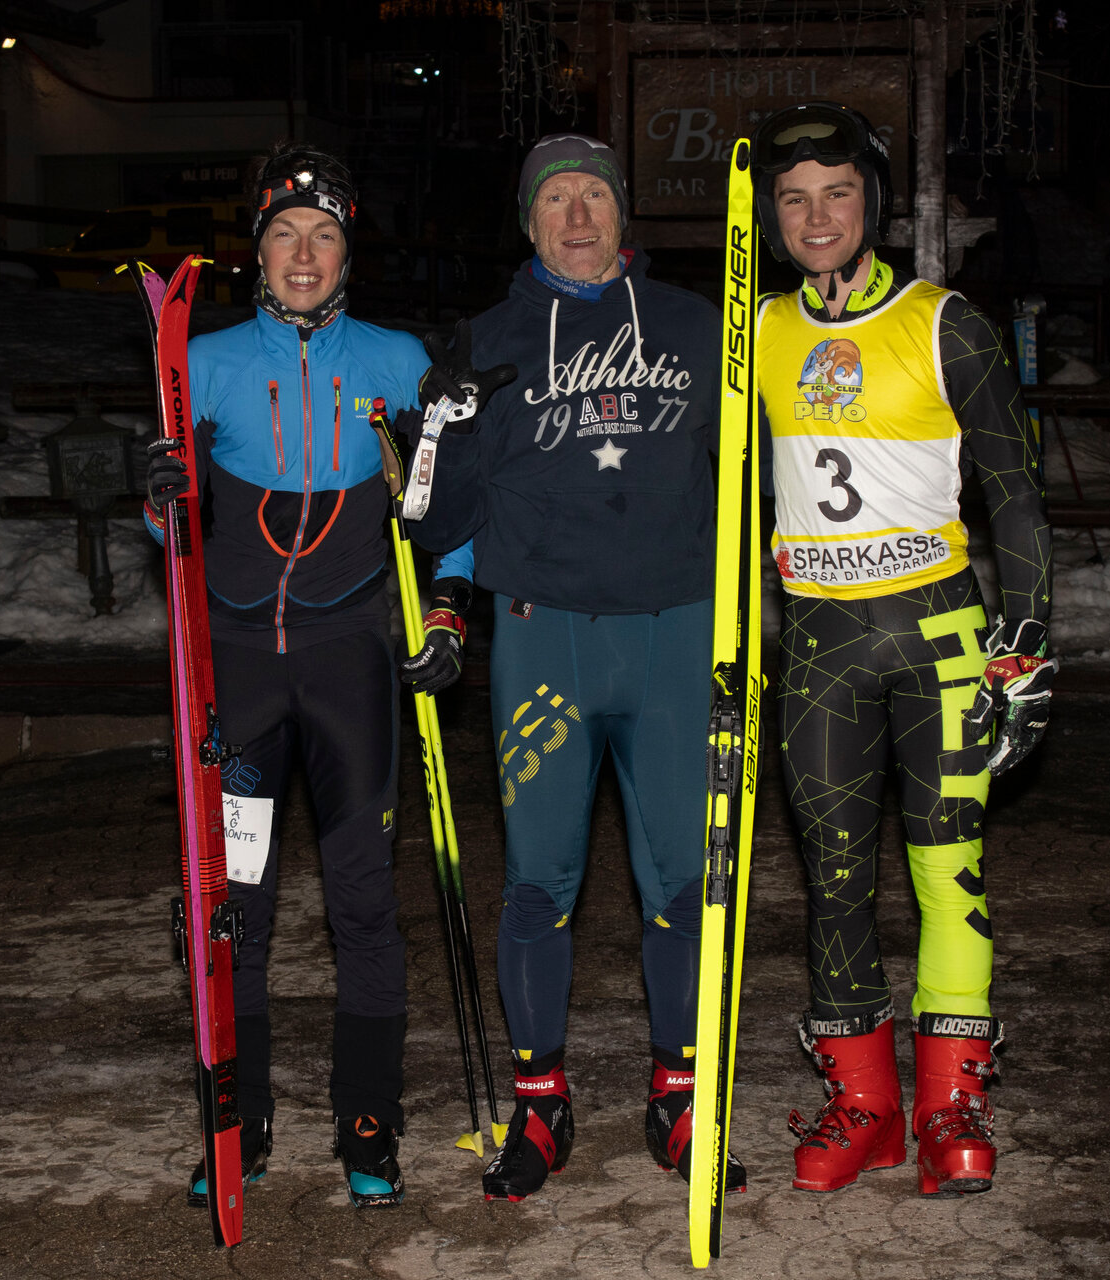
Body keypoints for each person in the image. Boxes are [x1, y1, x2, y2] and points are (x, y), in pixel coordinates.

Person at [403, 133, 745, 1201]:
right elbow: (434, 519)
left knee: (683, 879)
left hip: (678, 631)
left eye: (596, 194)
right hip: (545, 635)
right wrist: (444, 430)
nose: (579, 216)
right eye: (557, 199)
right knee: (538, 881)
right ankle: (540, 1102)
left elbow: (764, 464)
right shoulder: (487, 340)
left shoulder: (700, 325)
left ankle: (679, 1097)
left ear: (623, 212)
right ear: (529, 221)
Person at [141, 141, 475, 1209]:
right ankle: (238, 1118)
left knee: (363, 903)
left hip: (348, 667)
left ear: (346, 254)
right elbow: (170, 520)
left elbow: (445, 508)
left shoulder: (393, 360)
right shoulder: (203, 361)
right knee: (234, 908)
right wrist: (156, 495)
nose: (302, 253)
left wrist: (448, 611)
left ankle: (368, 1118)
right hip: (238, 672)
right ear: (257, 248)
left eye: (323, 235)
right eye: (284, 232)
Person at [746, 102, 1055, 1198]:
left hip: (938, 638)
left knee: (946, 867)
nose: (816, 216)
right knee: (833, 877)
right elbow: (725, 499)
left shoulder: (945, 323)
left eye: (837, 193)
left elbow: (1016, 497)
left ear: (872, 202)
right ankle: (866, 1103)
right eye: (793, 199)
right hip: (820, 641)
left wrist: (1027, 647)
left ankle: (951, 1101)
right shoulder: (756, 329)